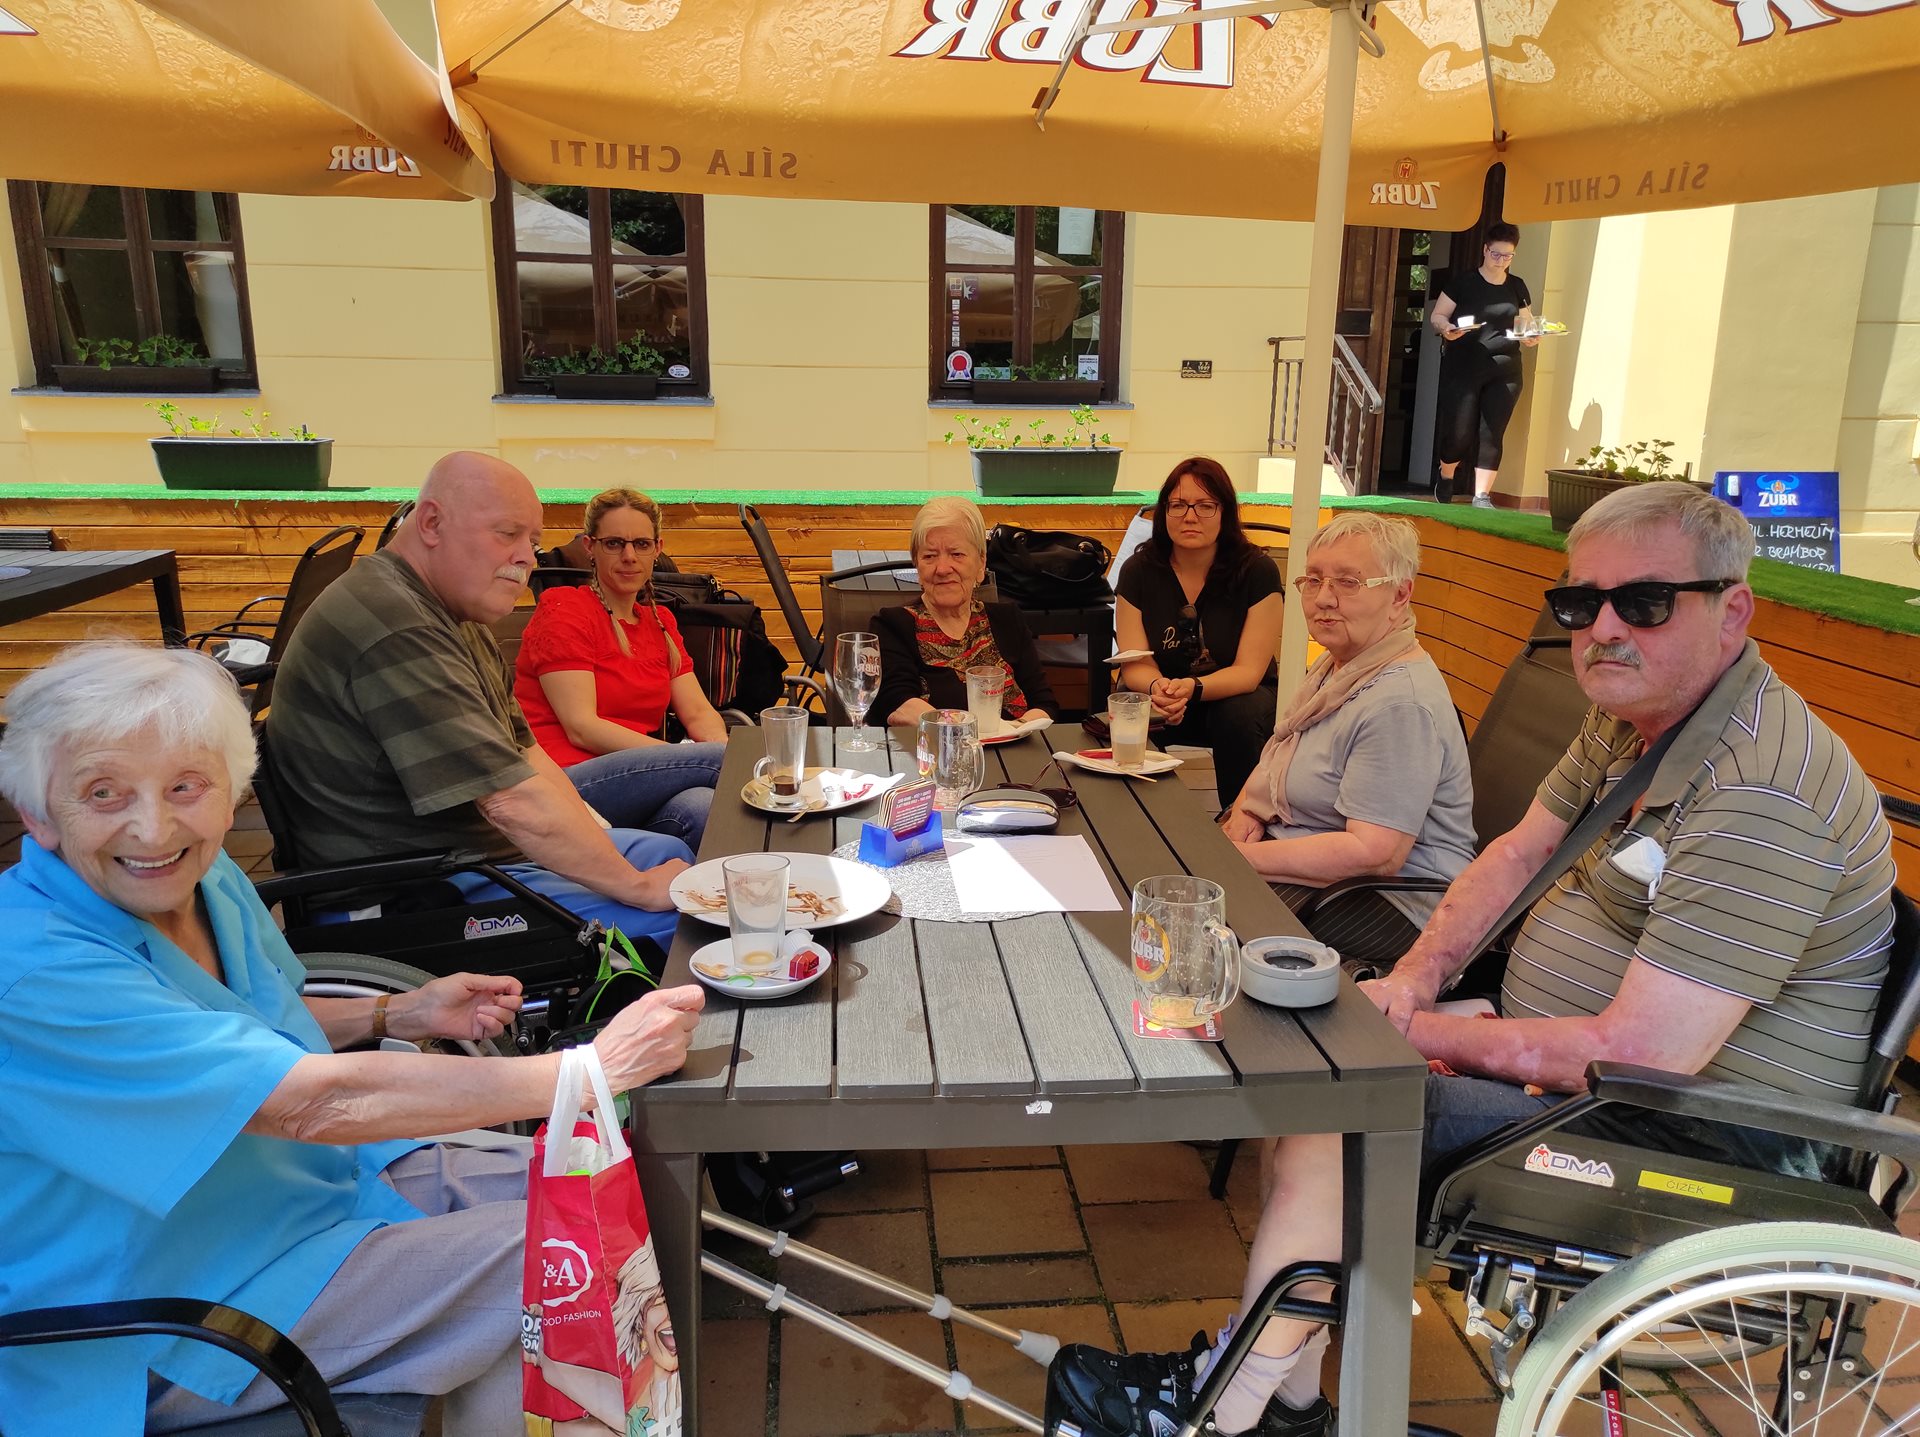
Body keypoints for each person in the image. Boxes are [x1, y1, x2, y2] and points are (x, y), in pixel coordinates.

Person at [1053, 481, 1897, 1437]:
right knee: (1316, 1081)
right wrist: (1414, 983)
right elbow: (1517, 853)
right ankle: (1283, 1397)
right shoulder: (1637, 719)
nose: (1604, 629)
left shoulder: (1761, 793)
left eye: (1644, 602)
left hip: (1696, 1138)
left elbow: (1645, 1054)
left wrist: (1432, 1035)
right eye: (1580, 603)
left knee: (1345, 1108)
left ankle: (1226, 1409)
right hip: (1590, 1072)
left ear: (1732, 609)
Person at [0, 642, 705, 1437]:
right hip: (171, 1310)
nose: (153, 825)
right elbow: (303, 1102)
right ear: (39, 813)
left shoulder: (200, 877)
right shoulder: (33, 970)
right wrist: (585, 1068)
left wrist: (397, 1013)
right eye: (103, 792)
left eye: (185, 786)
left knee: (605, 1185)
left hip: (314, 1190)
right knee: (556, 1256)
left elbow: (241, 1025)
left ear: (231, 792)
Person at [267, 451, 692, 949]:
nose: (527, 557)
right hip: (407, 893)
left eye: (533, 541)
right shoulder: (396, 627)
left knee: (670, 857)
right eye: (507, 534)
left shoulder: (452, 612)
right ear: (432, 523)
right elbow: (509, 801)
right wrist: (637, 888)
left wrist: (613, 858)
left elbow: (527, 754)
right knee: (685, 919)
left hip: (472, 858)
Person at [1220, 513, 1474, 972]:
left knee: (1203, 915)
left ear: (1400, 595)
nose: (1323, 598)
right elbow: (1281, 759)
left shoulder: (1399, 703)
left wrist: (1239, 859)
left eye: (1348, 582)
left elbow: (1375, 854)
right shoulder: (1340, 668)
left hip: (1395, 903)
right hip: (1315, 861)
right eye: (1313, 580)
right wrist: (1247, 811)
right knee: (1177, 877)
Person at [514, 486, 725, 844]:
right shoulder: (565, 610)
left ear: (657, 549)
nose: (629, 556)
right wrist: (692, 759)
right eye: (614, 543)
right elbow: (582, 728)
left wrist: (715, 748)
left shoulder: (660, 623)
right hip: (563, 779)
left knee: (702, 807)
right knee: (727, 764)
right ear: (590, 547)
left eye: (641, 544)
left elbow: (699, 714)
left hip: (633, 780)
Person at [1113, 457, 1284, 809]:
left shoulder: (1258, 572)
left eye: (1205, 505)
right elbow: (1134, 662)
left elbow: (1249, 672)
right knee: (1129, 705)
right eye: (1178, 505)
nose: (1190, 516)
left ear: (1225, 512)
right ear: (1164, 512)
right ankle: (1140, 816)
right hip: (1165, 696)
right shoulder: (1138, 571)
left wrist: (1192, 688)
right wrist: (1158, 689)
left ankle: (1241, 819)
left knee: (1238, 713)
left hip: (1236, 696)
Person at [873, 494, 1057, 726]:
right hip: (934, 746)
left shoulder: (1008, 619)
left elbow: (1044, 705)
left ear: (981, 563)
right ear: (917, 565)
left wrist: (1011, 732)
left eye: (956, 554)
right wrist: (968, 734)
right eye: (929, 556)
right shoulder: (893, 624)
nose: (942, 568)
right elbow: (898, 705)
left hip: (1015, 745)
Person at [1430, 222, 1542, 508]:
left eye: (1508, 256)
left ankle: (1481, 495)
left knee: (1493, 430)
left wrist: (1530, 336)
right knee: (1459, 431)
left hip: (1505, 368)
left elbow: (1526, 322)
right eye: (1496, 254)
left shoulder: (1517, 286)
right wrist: (1446, 329)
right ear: (1485, 250)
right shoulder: (1463, 282)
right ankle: (1446, 474)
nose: (1501, 261)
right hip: (1464, 365)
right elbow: (1438, 316)